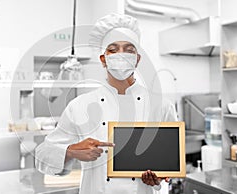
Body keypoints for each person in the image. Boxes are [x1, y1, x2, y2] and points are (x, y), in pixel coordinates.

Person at [35, 13, 177, 194]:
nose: (121, 54)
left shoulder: (161, 106)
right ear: (103, 59)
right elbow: (41, 156)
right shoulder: (80, 106)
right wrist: (71, 151)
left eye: (129, 49)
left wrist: (159, 178)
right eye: (113, 49)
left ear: (138, 59)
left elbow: (169, 161)